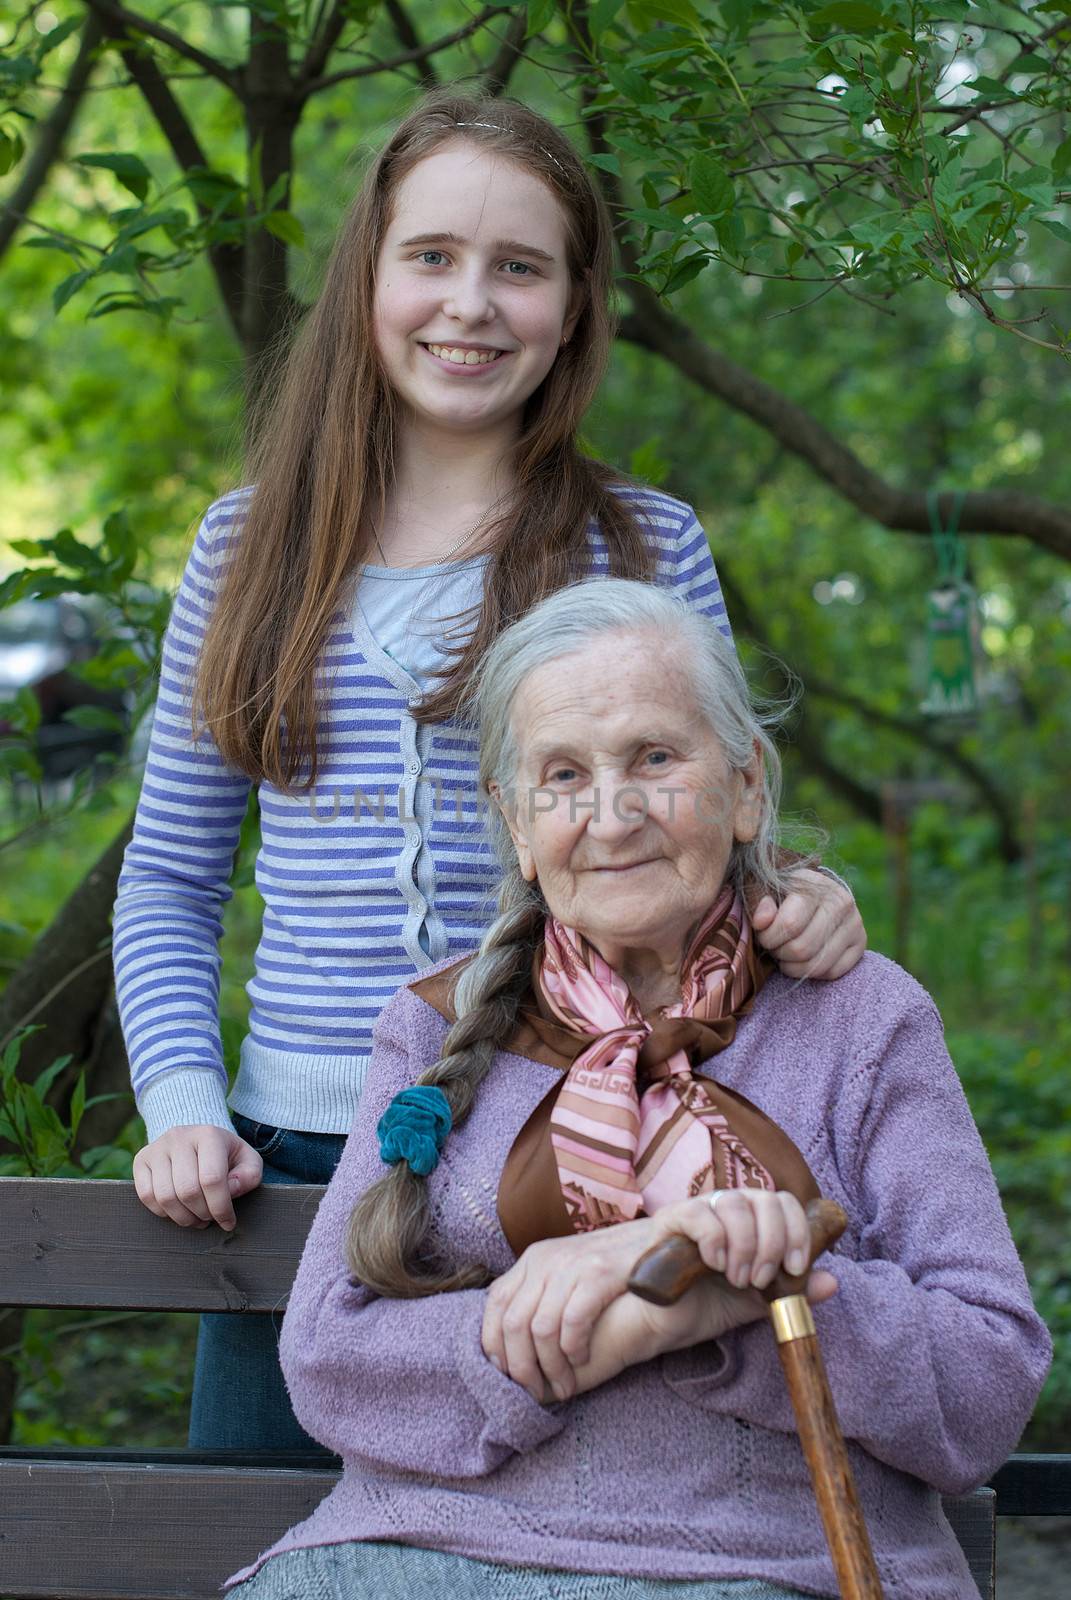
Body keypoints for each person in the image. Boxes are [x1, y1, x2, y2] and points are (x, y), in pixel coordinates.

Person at [113, 89, 866, 1453]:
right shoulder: (246, 551)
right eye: (433, 257)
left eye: (519, 267)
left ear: (575, 306)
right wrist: (179, 1106)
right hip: (293, 1163)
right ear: (369, 278)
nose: (470, 303)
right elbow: (167, 881)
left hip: (572, 1154)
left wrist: (801, 896)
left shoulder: (637, 545)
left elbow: (710, 844)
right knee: (265, 1520)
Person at [225, 579, 1050, 1600]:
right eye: (562, 775)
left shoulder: (861, 1017)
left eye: (655, 758)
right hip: (420, 1557)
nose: (610, 816)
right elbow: (328, 1357)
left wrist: (745, 1299)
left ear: (745, 786)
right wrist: (640, 1301)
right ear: (514, 822)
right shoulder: (436, 1024)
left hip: (764, 1566)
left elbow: (986, 1381)